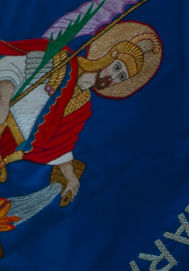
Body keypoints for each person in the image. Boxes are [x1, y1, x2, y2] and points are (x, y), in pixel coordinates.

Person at [0, 22, 162, 204]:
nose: (113, 78)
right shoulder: (63, 61)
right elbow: (15, 62)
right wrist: (5, 95)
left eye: (121, 77)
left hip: (7, 154)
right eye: (117, 68)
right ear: (110, 56)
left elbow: (60, 146)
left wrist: (70, 178)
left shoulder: (82, 106)